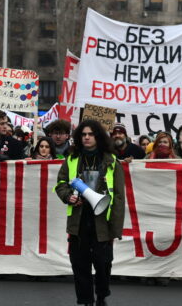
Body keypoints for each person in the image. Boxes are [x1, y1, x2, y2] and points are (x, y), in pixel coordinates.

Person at [55, 119, 125, 306]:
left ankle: (101, 295)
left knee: (103, 263)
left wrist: (116, 228)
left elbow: (118, 197)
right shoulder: (71, 159)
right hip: (79, 218)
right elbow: (61, 183)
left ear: (98, 136)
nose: (86, 137)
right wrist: (67, 196)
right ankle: (86, 300)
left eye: (91, 134)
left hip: (103, 220)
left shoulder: (111, 161)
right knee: (79, 263)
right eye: (83, 134)